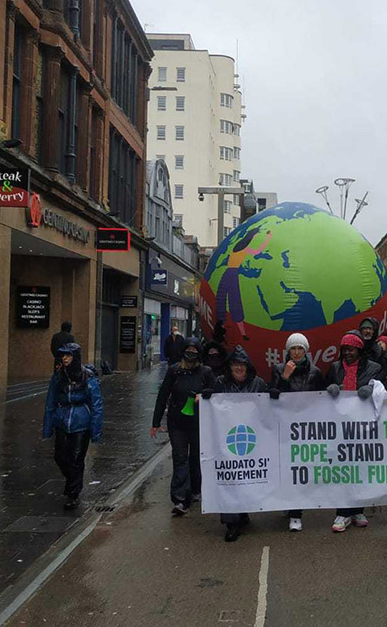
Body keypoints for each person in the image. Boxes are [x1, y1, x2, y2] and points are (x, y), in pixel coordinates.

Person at [203, 346, 270, 541]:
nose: (239, 368)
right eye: (235, 365)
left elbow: (270, 410)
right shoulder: (220, 383)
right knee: (230, 477)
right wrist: (208, 397)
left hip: (253, 438)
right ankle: (231, 522)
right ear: (229, 367)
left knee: (247, 476)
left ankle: (243, 511)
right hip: (227, 440)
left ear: (248, 366)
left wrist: (274, 395)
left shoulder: (258, 384)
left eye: (242, 365)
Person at [152, 337, 216, 516]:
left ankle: (196, 489)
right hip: (177, 423)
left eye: (194, 351)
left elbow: (216, 393)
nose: (191, 354)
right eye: (188, 350)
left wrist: (203, 395)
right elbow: (163, 396)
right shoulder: (174, 371)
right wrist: (156, 422)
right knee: (180, 458)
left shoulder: (206, 372)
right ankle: (180, 499)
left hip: (198, 423)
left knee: (195, 458)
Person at [325, 332, 381, 533]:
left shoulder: (374, 368)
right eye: (344, 349)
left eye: (351, 349)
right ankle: (342, 511)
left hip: (363, 426)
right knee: (343, 468)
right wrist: (330, 388)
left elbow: (384, 390)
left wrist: (372, 389)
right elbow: (322, 392)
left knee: (360, 468)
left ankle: (358, 509)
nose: (347, 353)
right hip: (340, 426)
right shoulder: (335, 368)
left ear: (359, 350)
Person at [270, 332, 323, 532]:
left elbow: (322, 398)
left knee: (301, 468)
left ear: (306, 351)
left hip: (307, 428)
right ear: (288, 350)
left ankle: (296, 513)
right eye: (294, 348)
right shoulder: (278, 369)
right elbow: (272, 395)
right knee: (286, 467)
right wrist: (285, 377)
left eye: (301, 348)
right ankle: (289, 504)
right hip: (285, 425)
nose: (297, 352)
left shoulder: (315, 372)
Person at [42, 343, 103, 509]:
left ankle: (73, 494)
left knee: (76, 458)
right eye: (63, 355)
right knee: (60, 456)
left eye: (68, 355)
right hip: (61, 420)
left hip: (81, 422)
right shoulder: (58, 376)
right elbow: (50, 400)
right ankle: (72, 481)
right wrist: (47, 427)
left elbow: (96, 404)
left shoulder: (87, 376)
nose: (65, 358)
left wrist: (95, 430)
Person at [215, 229, 274, 341]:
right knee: (233, 300)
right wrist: (268, 238)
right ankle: (237, 332)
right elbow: (257, 251)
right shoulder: (243, 248)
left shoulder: (238, 247)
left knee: (224, 299)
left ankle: (234, 331)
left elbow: (256, 251)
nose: (254, 238)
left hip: (228, 273)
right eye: (254, 237)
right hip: (232, 273)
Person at [358, 318, 387, 389]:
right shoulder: (356, 349)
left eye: (370, 329)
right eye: (364, 328)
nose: (367, 331)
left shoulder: (381, 352)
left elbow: (385, 373)